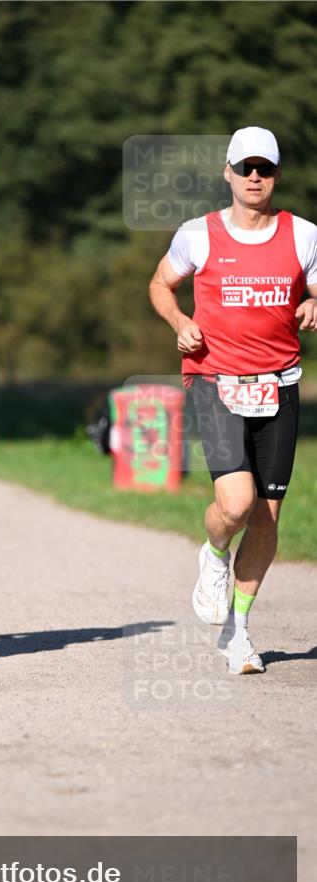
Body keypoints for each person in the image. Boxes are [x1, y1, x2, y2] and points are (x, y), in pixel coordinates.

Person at [149, 126, 317, 674]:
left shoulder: (304, 236)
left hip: (281, 383)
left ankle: (238, 631)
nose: (253, 177)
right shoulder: (198, 234)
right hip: (215, 381)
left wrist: (314, 305)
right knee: (237, 505)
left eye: (263, 169)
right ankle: (215, 552)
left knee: (267, 517)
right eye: (244, 167)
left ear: (275, 176)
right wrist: (179, 320)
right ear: (227, 172)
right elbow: (159, 284)